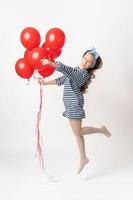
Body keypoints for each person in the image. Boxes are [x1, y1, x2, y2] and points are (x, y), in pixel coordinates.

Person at [38, 47, 111, 174]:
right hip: (69, 105)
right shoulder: (76, 70)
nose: (85, 62)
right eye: (84, 59)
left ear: (90, 67)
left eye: (88, 62)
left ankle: (101, 130)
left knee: (78, 131)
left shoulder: (82, 75)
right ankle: (83, 157)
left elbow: (67, 70)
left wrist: (51, 64)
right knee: (77, 133)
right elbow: (61, 80)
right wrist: (45, 83)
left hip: (75, 105)